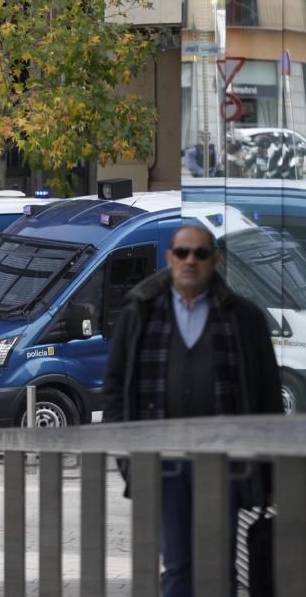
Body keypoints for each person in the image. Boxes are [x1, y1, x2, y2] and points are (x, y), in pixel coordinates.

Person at [102, 224, 283, 597]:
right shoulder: (141, 314)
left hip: (224, 462)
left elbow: (267, 397)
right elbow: (116, 391)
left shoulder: (243, 318)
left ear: (214, 261)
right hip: (163, 463)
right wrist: (128, 461)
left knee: (219, 568)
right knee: (179, 566)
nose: (190, 260)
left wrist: (269, 476)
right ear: (170, 258)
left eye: (200, 253)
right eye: (182, 252)